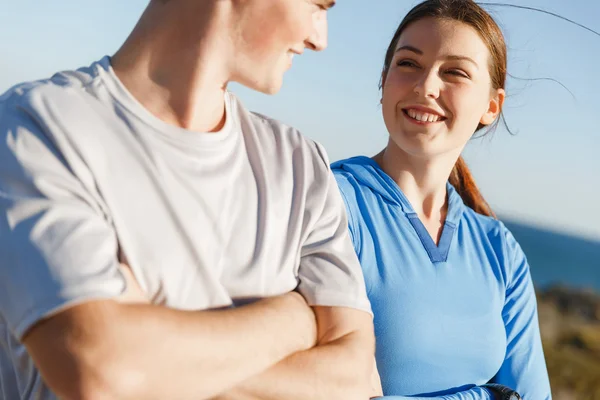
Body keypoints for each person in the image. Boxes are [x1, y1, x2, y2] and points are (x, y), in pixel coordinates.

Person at [0, 1, 380, 399]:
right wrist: (292, 321)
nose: (320, 38)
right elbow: (100, 370)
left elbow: (352, 379)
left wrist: (152, 360)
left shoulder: (302, 164)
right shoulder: (39, 129)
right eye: (317, 5)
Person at [332, 0, 552, 399]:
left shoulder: (499, 250)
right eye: (408, 64)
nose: (425, 86)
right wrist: (487, 396)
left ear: (491, 106)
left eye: (454, 72)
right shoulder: (329, 203)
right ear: (383, 79)